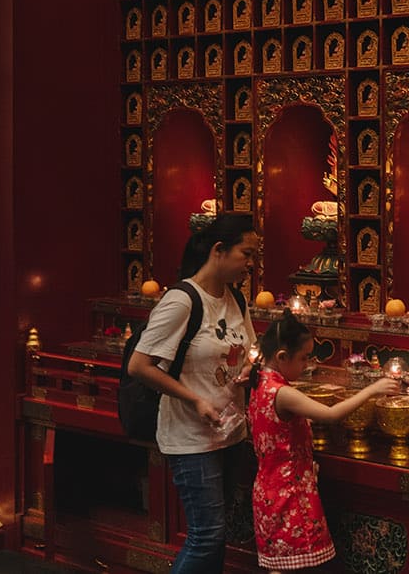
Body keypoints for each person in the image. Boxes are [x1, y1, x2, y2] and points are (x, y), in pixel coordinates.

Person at [128, 214, 260, 574]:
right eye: (245, 254)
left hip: (229, 433)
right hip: (191, 437)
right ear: (219, 250)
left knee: (216, 539)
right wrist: (195, 399)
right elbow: (140, 366)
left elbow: (249, 348)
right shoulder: (182, 300)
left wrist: (249, 368)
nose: (251, 264)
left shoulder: (236, 299)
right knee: (206, 536)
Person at [249, 314, 399, 573]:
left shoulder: (259, 381)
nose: (307, 365)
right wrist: (372, 390)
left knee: (278, 566)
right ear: (282, 357)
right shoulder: (282, 393)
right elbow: (330, 415)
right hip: (290, 495)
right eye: (304, 358)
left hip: (268, 489)